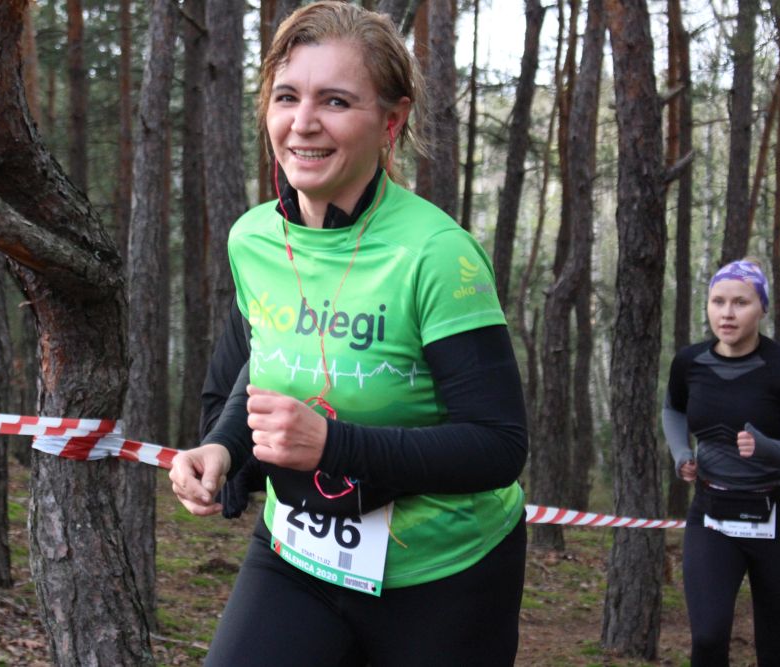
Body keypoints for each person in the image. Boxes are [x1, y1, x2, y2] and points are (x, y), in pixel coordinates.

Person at [170, 3, 528, 665]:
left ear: (391, 122)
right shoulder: (253, 239)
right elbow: (260, 368)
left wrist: (333, 444)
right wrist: (222, 447)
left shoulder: (435, 254)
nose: (304, 122)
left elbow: (499, 446)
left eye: (335, 101)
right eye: (287, 96)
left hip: (443, 576)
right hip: (297, 554)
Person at [663, 259, 780, 667]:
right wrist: (682, 454)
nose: (727, 313)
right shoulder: (689, 362)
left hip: (779, 517)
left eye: (741, 302)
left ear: (762, 308)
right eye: (718, 301)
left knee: (775, 647)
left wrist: (767, 448)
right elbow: (673, 410)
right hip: (713, 514)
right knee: (707, 637)